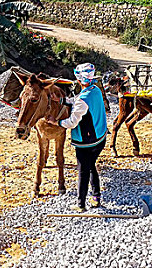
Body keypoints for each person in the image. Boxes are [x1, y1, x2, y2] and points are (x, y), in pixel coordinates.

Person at [47, 63, 108, 212]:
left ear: (79, 80)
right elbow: (78, 100)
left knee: (83, 171)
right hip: (100, 138)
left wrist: (56, 122)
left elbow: (72, 123)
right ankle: (96, 198)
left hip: (86, 143)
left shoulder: (83, 99)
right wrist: (61, 101)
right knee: (91, 166)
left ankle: (81, 205)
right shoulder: (96, 90)